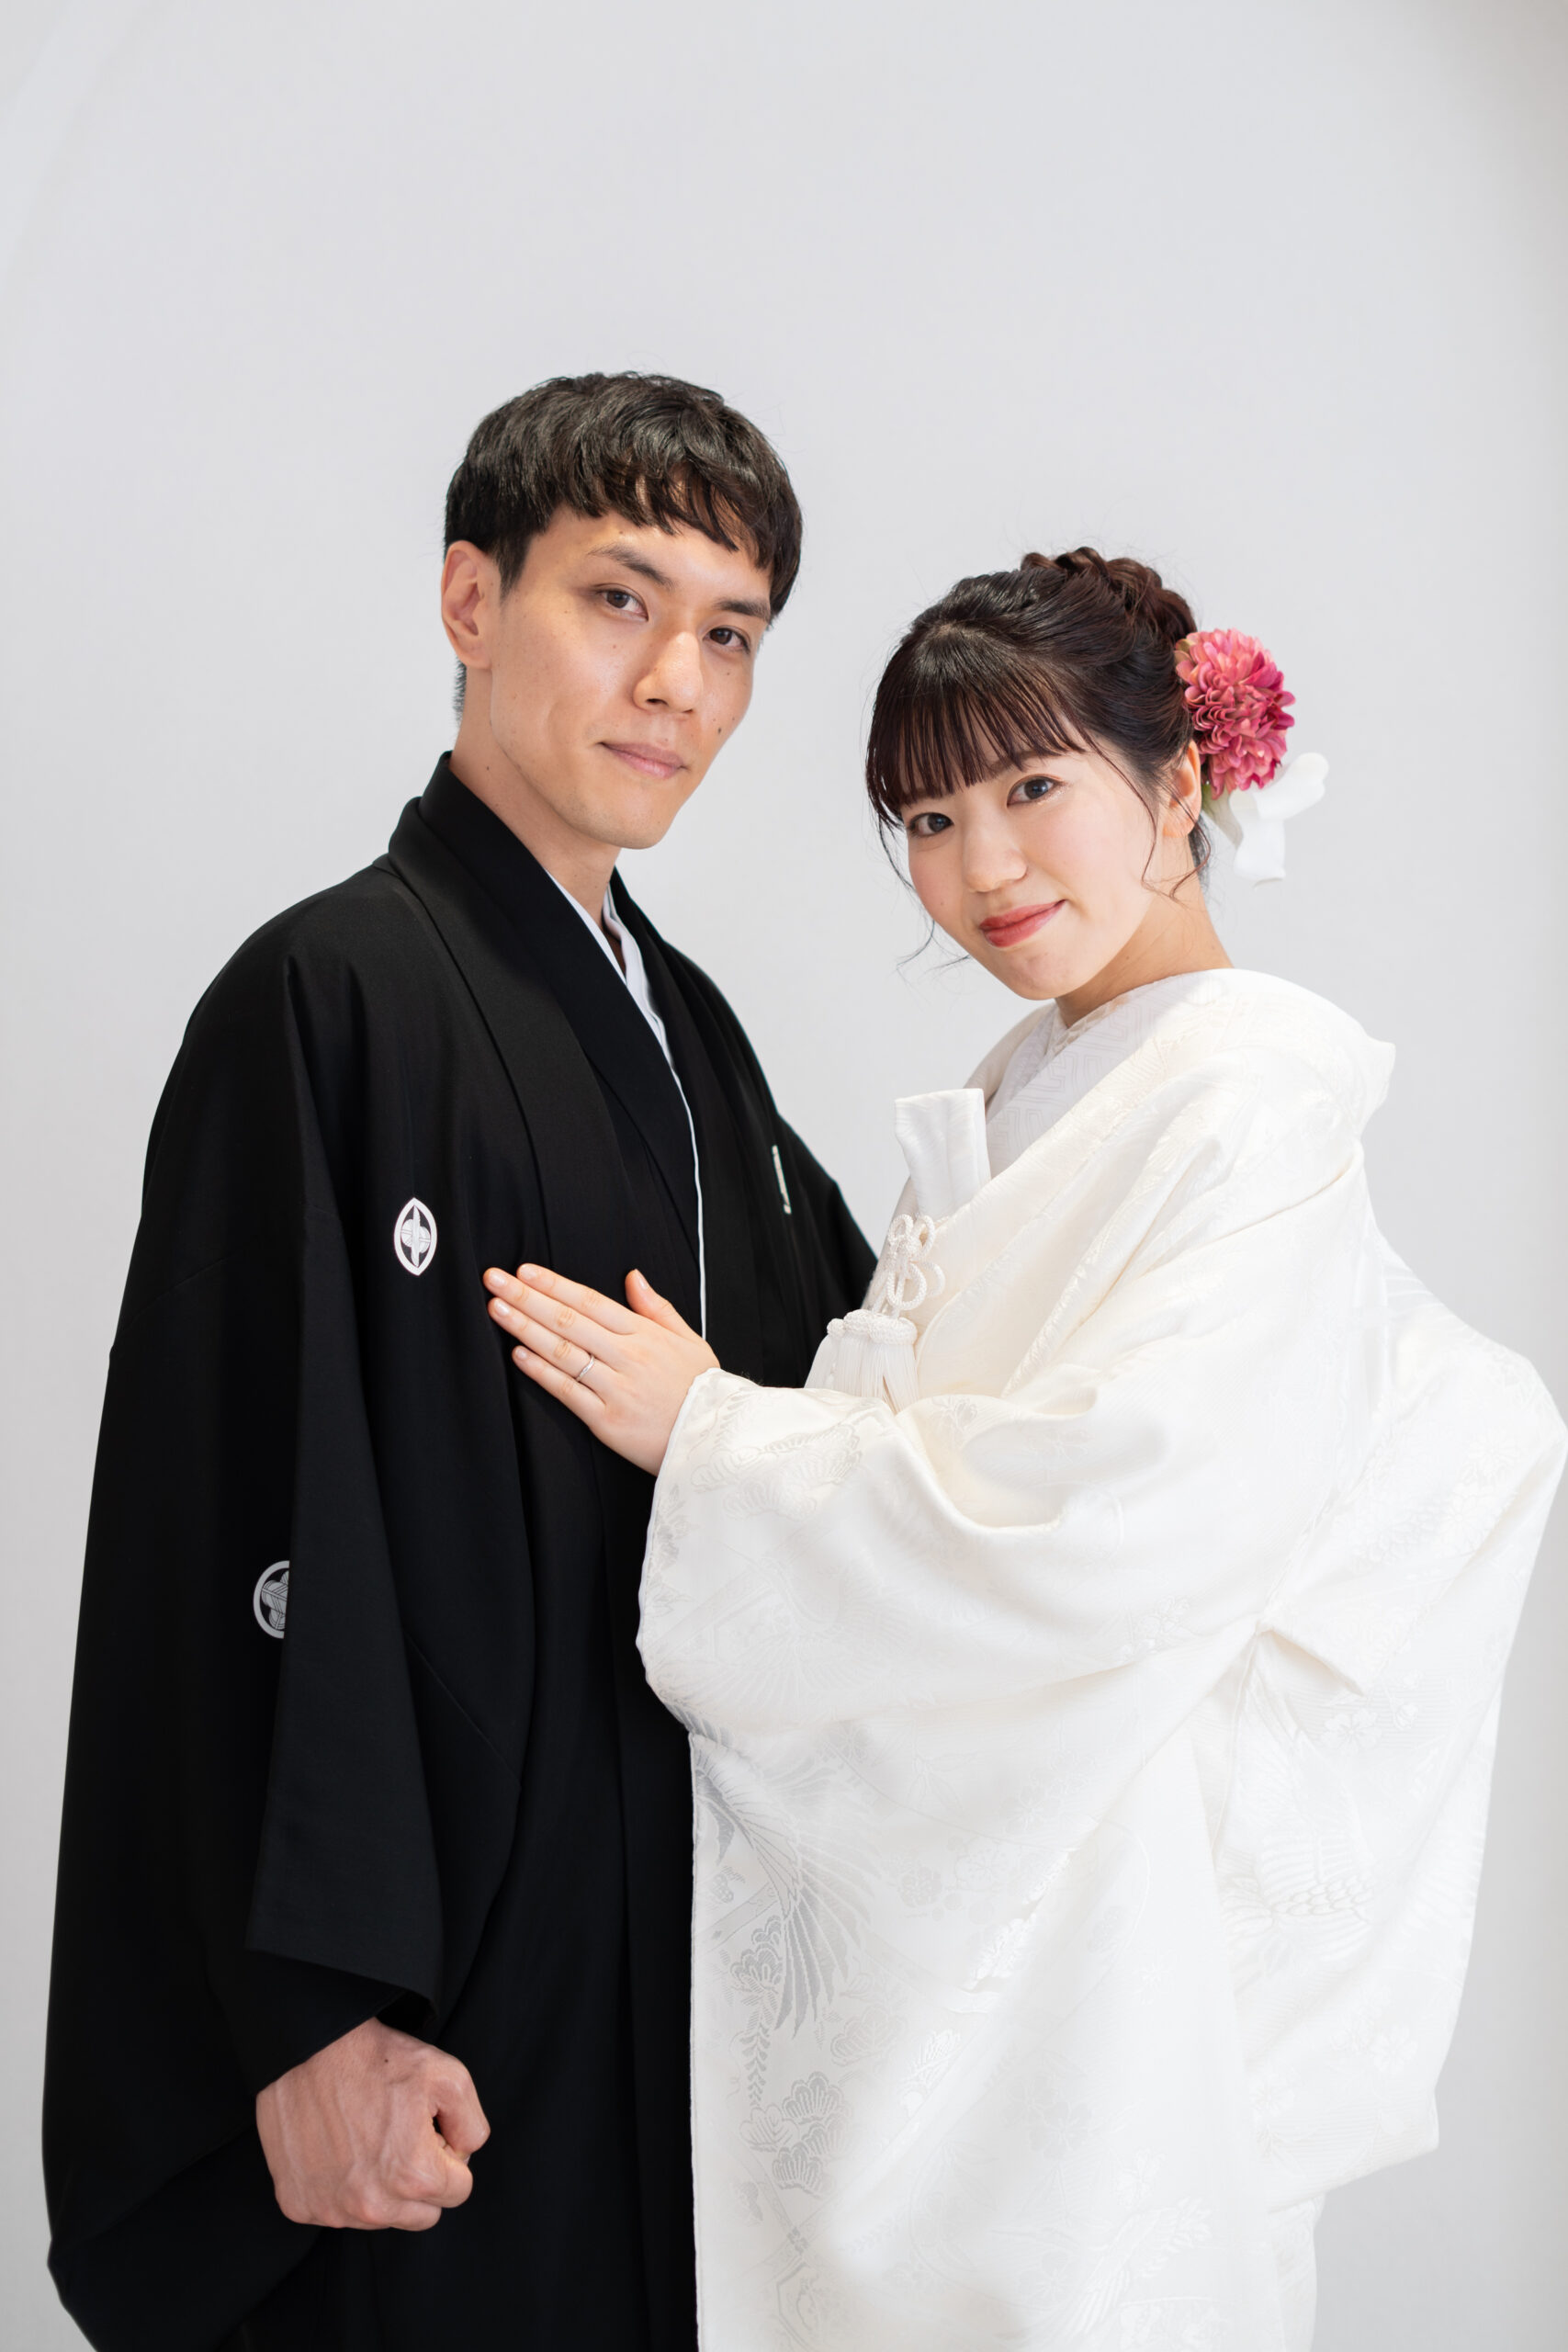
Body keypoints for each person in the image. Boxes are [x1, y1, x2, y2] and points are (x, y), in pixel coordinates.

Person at [482, 549, 1565, 2352]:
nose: (979, 865)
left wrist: (719, 1439)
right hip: (997, 1899)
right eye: (927, 816)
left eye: (1031, 785)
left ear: (1180, 780)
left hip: (1103, 1939)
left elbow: (1117, 1513)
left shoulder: (1248, 1096)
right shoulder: (1037, 1078)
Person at [43, 372, 874, 2352]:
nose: (674, 681)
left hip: (672, 1968)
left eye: (730, 635)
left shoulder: (695, 1040)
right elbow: (231, 1521)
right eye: (618, 598)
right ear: (469, 598)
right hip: (436, 1991)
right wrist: (311, 2013)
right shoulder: (324, 994)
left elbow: (863, 1410)